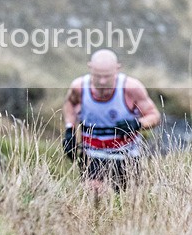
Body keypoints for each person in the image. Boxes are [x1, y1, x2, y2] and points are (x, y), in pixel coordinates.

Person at [62, 49, 160, 192]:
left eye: (107, 76)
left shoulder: (131, 88)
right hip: (92, 156)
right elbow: (69, 104)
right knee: (94, 192)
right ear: (90, 68)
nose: (102, 81)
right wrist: (69, 130)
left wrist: (137, 124)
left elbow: (154, 115)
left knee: (126, 199)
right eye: (97, 76)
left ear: (117, 69)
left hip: (127, 157)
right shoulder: (79, 87)